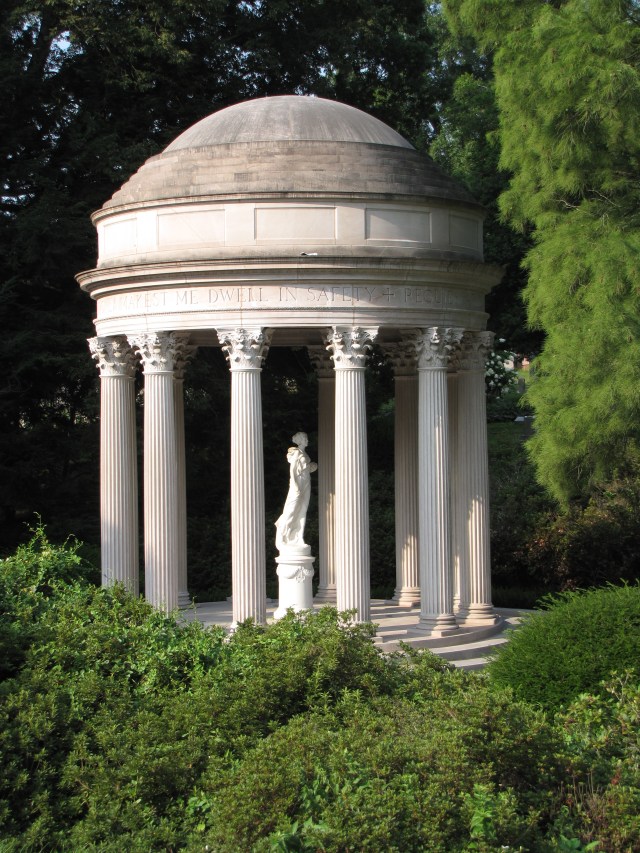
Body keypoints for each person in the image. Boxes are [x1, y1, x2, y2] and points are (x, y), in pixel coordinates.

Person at [275, 432, 317, 552]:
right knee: (292, 509)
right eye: (304, 438)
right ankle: (282, 532)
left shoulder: (305, 454)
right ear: (299, 440)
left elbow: (305, 468)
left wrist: (311, 466)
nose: (307, 439)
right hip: (297, 483)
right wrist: (294, 484)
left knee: (302, 509)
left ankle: (299, 538)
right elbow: (293, 470)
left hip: (306, 482)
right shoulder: (296, 452)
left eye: (307, 437)